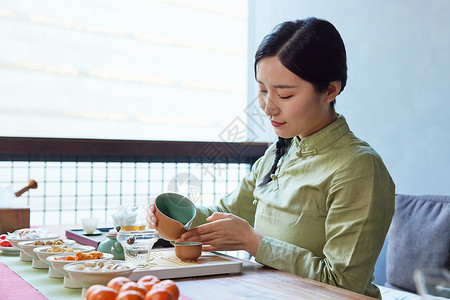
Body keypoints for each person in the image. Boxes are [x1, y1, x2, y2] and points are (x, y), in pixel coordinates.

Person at [147, 17, 395, 299]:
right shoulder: (279, 151)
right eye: (263, 90)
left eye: (285, 95)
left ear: (330, 90)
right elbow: (226, 213)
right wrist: (174, 220)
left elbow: (343, 283)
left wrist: (254, 243)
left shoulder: (358, 167)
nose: (267, 107)